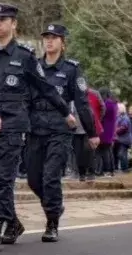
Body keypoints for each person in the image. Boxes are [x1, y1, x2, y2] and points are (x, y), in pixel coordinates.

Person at [0, 3, 70, 252]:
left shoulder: (24, 55)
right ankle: (13, 222)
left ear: (13, 24)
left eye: (3, 19)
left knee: (3, 178)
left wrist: (65, 111)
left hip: (13, 123)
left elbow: (45, 87)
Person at [26, 23, 96, 242]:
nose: (49, 41)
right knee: (33, 179)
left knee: (50, 177)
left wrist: (92, 132)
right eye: (46, 37)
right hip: (35, 127)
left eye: (54, 37)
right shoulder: (34, 67)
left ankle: (52, 222)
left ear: (62, 43)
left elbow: (82, 103)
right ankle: (55, 206)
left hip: (59, 128)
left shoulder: (71, 69)